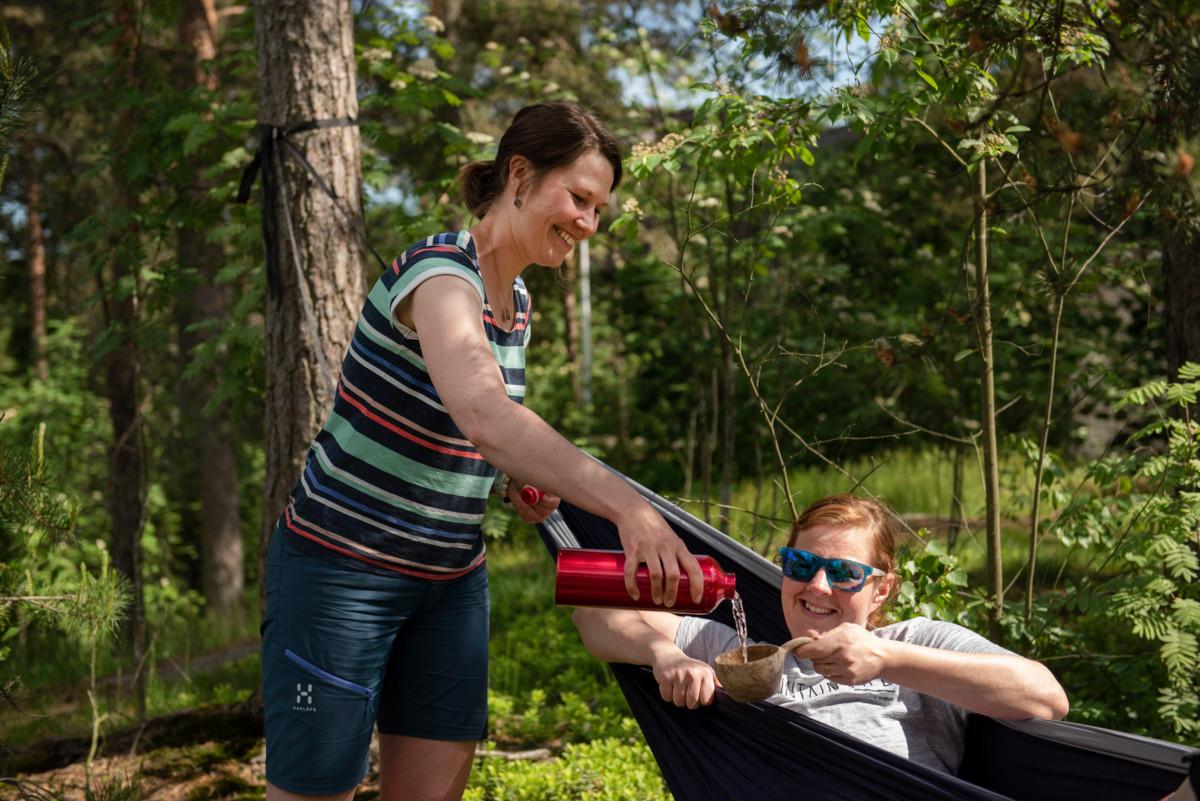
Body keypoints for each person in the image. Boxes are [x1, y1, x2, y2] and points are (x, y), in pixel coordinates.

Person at [260, 101, 705, 801]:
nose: (589, 223)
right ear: (520, 174)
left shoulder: (517, 306)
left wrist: (511, 482)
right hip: (342, 570)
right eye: (579, 198)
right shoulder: (440, 274)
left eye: (599, 209)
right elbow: (484, 413)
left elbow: (474, 433)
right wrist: (628, 507)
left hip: (449, 581)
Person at [573, 494, 1070, 775]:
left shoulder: (918, 641)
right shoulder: (739, 656)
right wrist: (663, 653)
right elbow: (593, 618)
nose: (817, 585)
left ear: (882, 590)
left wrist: (888, 660)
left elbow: (1046, 698)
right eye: (802, 564)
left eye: (843, 573)